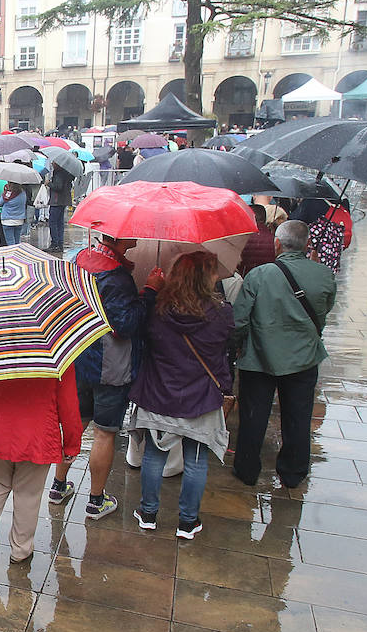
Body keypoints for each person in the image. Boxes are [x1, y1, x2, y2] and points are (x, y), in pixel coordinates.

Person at [49, 234, 162, 520]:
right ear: (121, 237)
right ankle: (96, 500)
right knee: (104, 432)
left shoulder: (79, 259)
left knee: (76, 424)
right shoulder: (117, 277)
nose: (138, 233)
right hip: (110, 366)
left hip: (78, 356)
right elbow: (125, 325)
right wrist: (149, 292)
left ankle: (58, 486)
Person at [127, 252, 234, 539]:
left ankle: (148, 513)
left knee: (153, 455)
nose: (217, 276)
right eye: (213, 272)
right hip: (200, 397)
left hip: (158, 393)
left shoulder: (158, 310)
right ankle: (187, 522)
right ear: (204, 278)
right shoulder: (222, 313)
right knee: (196, 460)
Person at [232, 221, 337, 489]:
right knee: (298, 417)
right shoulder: (324, 275)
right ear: (306, 245)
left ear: (277, 244)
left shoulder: (259, 275)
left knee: (254, 416)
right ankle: (293, 472)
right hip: (304, 358)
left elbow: (240, 320)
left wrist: (237, 346)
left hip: (258, 358)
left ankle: (247, 469)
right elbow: (323, 314)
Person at [0, 368, 83, 563]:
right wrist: (71, 443)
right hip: (37, 432)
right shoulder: (56, 355)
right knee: (28, 493)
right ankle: (21, 550)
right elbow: (68, 403)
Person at [238, 203, 277, 276]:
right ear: (264, 218)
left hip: (246, 278)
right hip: (268, 278)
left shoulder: (241, 238)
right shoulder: (275, 240)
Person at [46, 163, 74, 253]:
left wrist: (49, 183)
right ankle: (60, 243)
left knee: (53, 222)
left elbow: (58, 186)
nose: (52, 163)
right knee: (60, 223)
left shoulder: (58, 173)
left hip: (56, 201)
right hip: (63, 201)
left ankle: (55, 244)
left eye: (53, 162)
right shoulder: (67, 173)